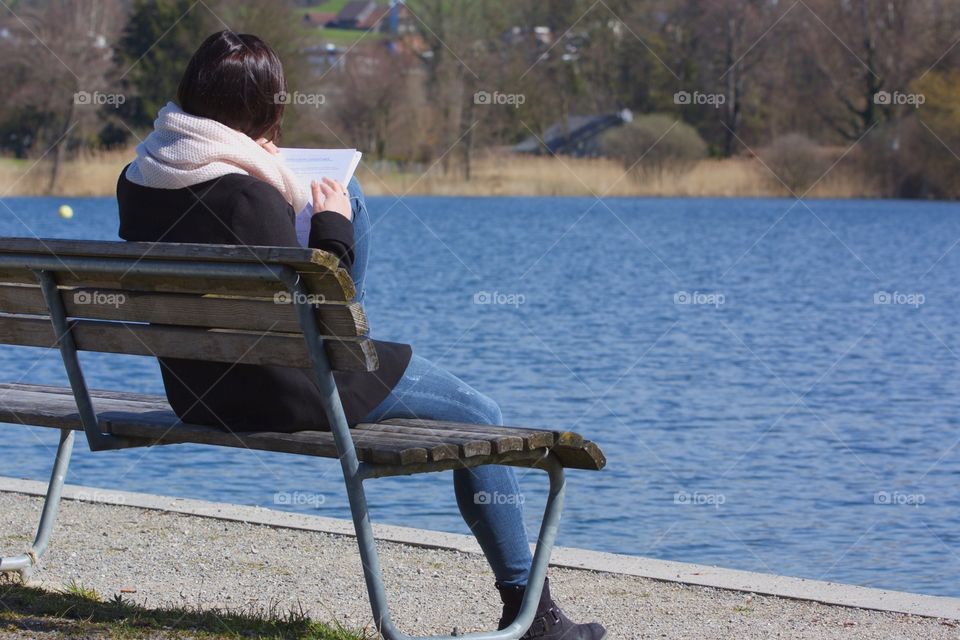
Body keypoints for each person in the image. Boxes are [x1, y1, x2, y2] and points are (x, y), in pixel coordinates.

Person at [115, 30, 605, 640]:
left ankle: (529, 610)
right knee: (482, 414)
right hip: (284, 391)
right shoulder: (247, 195)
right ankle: (534, 617)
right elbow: (315, 318)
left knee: (351, 222)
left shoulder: (137, 178)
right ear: (265, 111)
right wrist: (332, 226)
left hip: (197, 390)